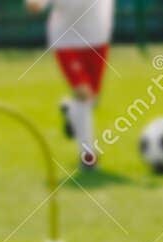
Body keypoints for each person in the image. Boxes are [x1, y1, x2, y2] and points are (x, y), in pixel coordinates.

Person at [25, 0, 113, 170]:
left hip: (98, 38)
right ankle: (88, 155)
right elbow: (35, 5)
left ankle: (70, 110)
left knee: (91, 101)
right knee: (83, 94)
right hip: (66, 40)